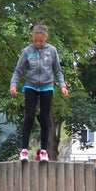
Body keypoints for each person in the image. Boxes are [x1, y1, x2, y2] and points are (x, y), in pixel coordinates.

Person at [10, 22, 69, 162]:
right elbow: (18, 71)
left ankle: (43, 151)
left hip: (47, 86)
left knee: (45, 118)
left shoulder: (52, 51)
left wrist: (63, 85)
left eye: (41, 41)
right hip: (31, 86)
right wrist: (13, 85)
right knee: (29, 116)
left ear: (46, 38)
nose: (38, 43)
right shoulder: (27, 51)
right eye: (35, 40)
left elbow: (57, 70)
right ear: (32, 38)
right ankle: (24, 150)